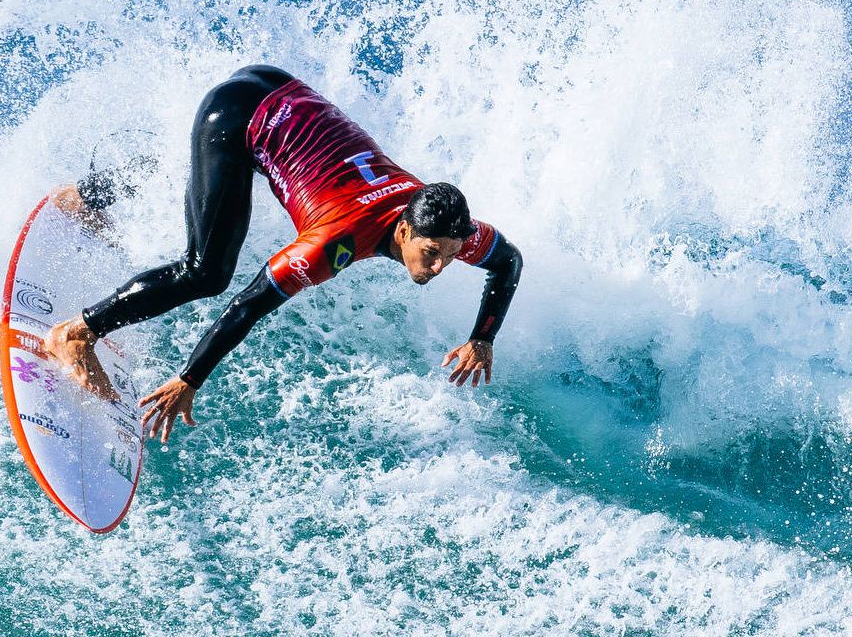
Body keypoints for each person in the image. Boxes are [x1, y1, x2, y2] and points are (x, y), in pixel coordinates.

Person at [46, 65, 522, 442]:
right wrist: (188, 380)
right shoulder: (336, 241)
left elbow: (508, 262)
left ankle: (88, 197)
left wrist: (483, 338)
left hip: (280, 89)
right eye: (432, 253)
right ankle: (76, 333)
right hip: (238, 119)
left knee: (212, 192)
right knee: (206, 272)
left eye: (451, 256)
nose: (439, 266)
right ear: (403, 229)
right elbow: (249, 302)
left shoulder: (442, 220)